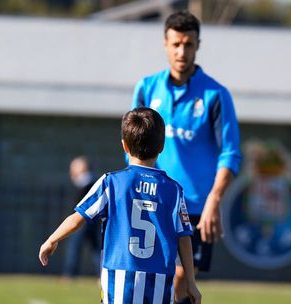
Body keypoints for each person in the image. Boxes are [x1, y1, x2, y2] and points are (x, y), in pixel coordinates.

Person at [132, 10, 241, 304]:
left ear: (197, 45)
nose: (182, 51)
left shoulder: (216, 95)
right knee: (154, 279)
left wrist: (214, 201)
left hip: (193, 208)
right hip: (151, 202)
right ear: (165, 44)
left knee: (180, 278)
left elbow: (230, 154)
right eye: (176, 44)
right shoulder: (147, 88)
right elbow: (132, 146)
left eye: (188, 44)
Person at [39, 108, 201, 304]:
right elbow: (184, 237)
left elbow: (77, 218)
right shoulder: (174, 190)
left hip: (119, 278)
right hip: (159, 280)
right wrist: (191, 281)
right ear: (162, 147)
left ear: (124, 146)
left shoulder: (111, 182)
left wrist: (52, 240)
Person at [62, 156, 101, 281]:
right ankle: (102, 274)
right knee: (97, 249)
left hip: (83, 221)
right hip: (95, 221)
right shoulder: (96, 181)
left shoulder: (86, 181)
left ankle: (69, 274)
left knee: (74, 246)